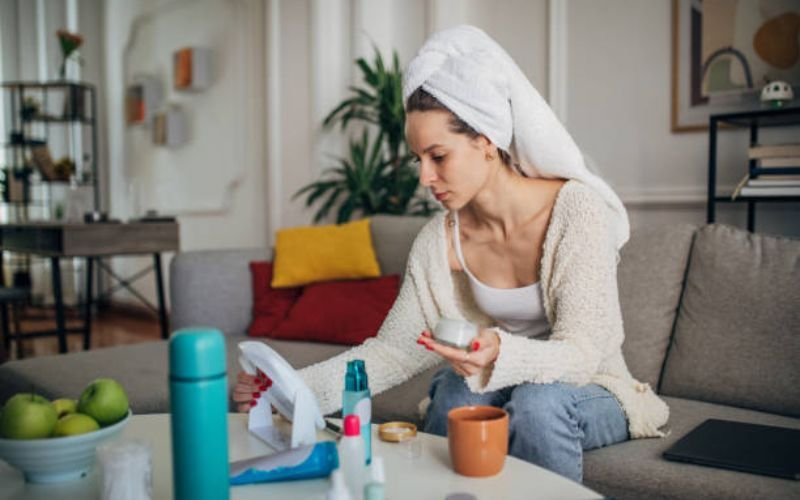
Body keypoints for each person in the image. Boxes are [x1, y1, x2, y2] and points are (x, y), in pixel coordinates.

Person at [233, 25, 668, 482]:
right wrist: (290, 390)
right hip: (503, 382)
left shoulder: (576, 210)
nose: (425, 176)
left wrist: (499, 349)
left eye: (438, 156)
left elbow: (581, 352)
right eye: (418, 159)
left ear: (485, 141)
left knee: (539, 404)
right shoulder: (439, 239)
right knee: (456, 394)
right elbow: (391, 353)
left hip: (592, 386)